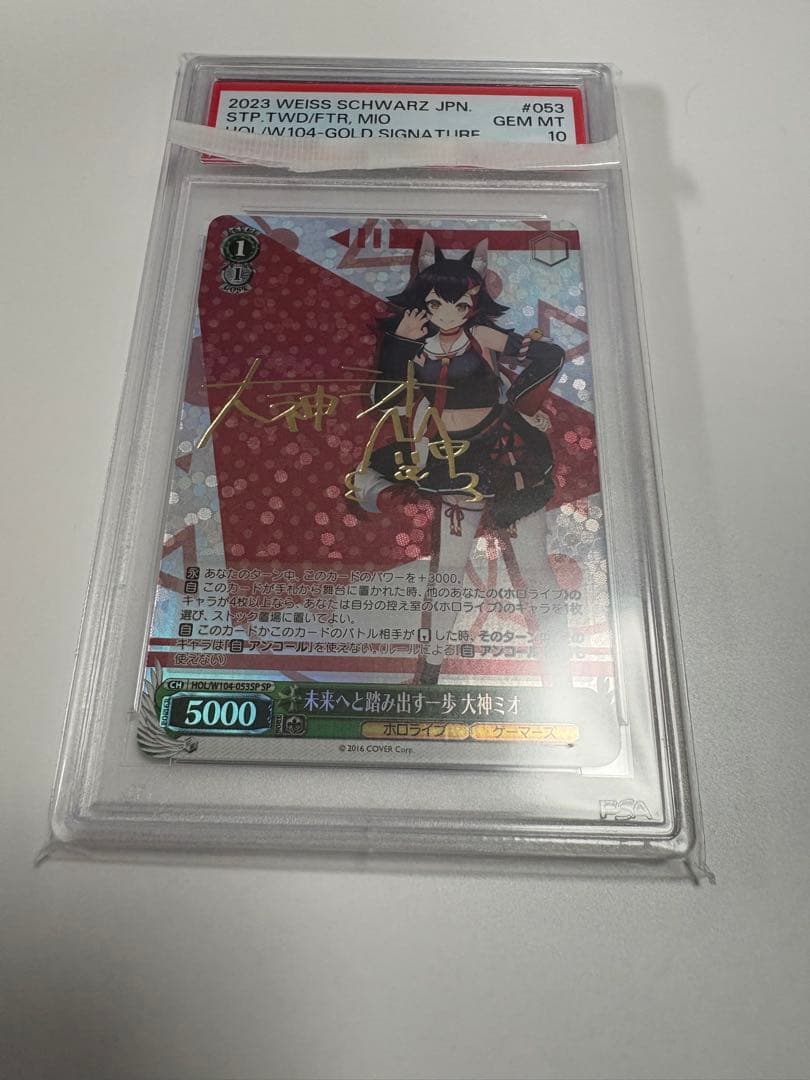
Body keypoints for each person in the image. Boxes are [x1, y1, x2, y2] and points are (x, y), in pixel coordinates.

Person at [353, 233, 568, 685]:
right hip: (451, 458)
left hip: (505, 451)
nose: (448, 315)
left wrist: (524, 405)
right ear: (423, 302)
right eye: (436, 305)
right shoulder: (414, 343)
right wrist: (398, 343)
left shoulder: (480, 334)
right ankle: (430, 672)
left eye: (461, 305)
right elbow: (384, 401)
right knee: (448, 569)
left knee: (533, 564)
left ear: (473, 304)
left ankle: (561, 669)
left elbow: (550, 355)